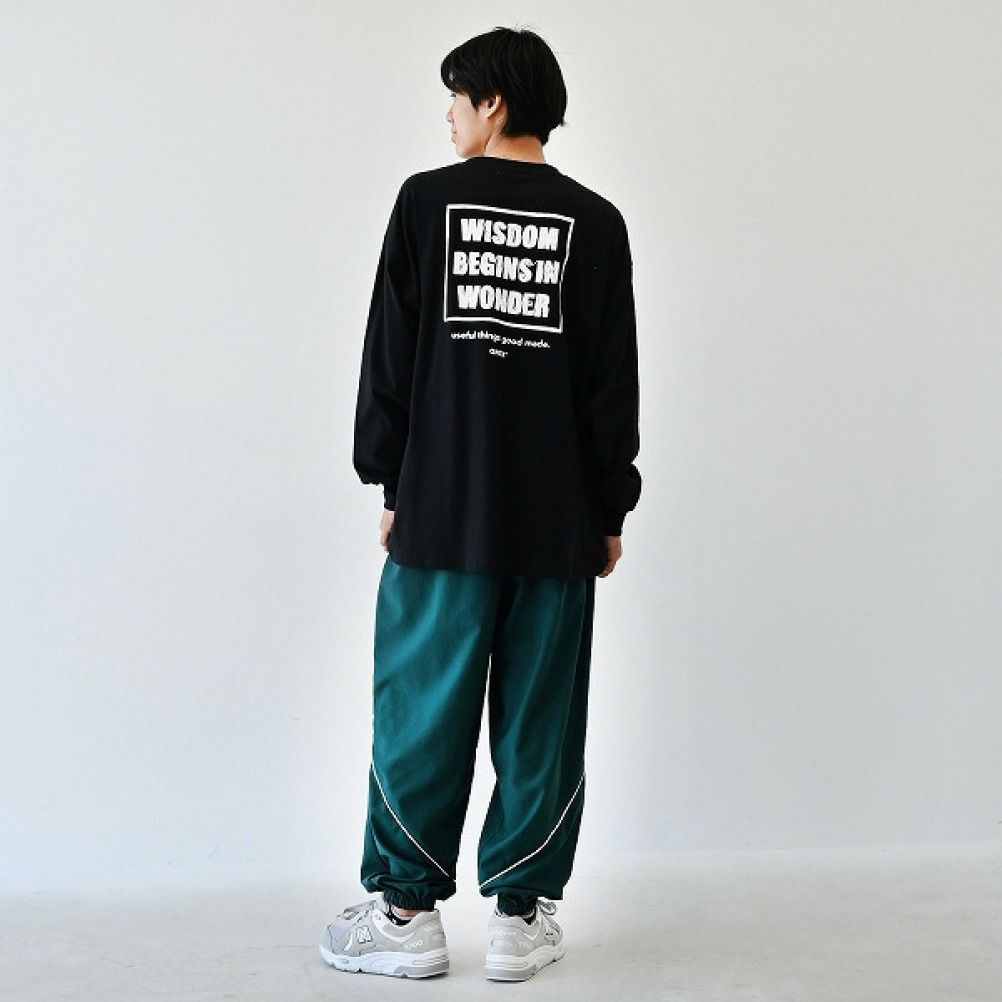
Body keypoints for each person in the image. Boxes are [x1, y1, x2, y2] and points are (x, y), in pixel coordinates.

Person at [319, 24, 641, 982]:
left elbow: (391, 357)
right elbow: (610, 384)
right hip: (557, 521)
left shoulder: (426, 203)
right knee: (541, 715)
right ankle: (520, 919)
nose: (449, 115)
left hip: (443, 510)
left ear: (493, 102)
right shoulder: (598, 222)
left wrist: (391, 480)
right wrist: (610, 509)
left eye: (456, 97)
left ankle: (405, 916)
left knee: (421, 706)